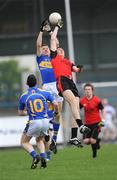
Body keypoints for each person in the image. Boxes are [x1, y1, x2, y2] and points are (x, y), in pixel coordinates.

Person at [49, 20, 90, 144]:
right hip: (62, 81)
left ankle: (73, 137)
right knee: (72, 101)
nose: (60, 50)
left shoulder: (67, 61)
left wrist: (80, 68)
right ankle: (81, 125)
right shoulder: (55, 57)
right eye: (58, 49)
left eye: (61, 49)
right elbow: (52, 39)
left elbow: (76, 69)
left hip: (71, 83)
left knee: (75, 107)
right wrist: (56, 27)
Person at [18, 74, 58, 169]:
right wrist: (56, 112)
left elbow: (20, 113)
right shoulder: (45, 92)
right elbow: (55, 103)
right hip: (45, 121)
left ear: (26, 83)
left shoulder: (23, 96)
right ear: (37, 83)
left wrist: (28, 112)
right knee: (39, 140)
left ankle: (35, 156)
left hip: (34, 121)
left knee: (24, 142)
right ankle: (43, 157)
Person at [36, 20, 63, 153]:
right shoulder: (40, 59)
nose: (45, 49)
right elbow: (38, 44)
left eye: (47, 48)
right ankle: (47, 132)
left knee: (58, 114)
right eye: (44, 49)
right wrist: (42, 31)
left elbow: (56, 43)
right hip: (46, 87)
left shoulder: (53, 57)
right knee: (48, 112)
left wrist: (51, 31)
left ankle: (54, 140)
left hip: (57, 85)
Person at [80, 83, 105, 158]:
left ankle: (94, 155)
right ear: (84, 91)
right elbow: (77, 109)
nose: (87, 91)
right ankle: (97, 141)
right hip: (87, 124)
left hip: (97, 123)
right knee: (86, 141)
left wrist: (102, 120)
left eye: (89, 89)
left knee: (92, 140)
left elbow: (103, 110)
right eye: (86, 89)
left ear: (92, 91)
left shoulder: (96, 100)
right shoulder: (82, 101)